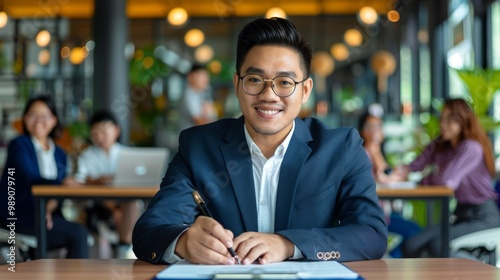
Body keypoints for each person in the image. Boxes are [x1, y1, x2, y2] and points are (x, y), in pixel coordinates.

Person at [133, 17, 387, 265]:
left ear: (305, 90)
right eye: (255, 80)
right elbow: (149, 230)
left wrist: (288, 244)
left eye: (285, 82)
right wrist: (184, 242)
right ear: (237, 84)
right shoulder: (199, 147)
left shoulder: (340, 147)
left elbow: (371, 234)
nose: (269, 95)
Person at [400, 98, 500, 257]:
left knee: (437, 245)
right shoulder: (442, 143)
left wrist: (422, 179)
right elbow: (415, 165)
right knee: (412, 244)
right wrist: (399, 172)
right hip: (461, 214)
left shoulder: (471, 147)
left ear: (463, 121)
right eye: (442, 118)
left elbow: (447, 181)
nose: (443, 124)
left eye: (450, 119)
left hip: (482, 216)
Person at [0, 94, 89, 258]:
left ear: (54, 120)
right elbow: (30, 177)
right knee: (78, 234)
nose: (38, 120)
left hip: (47, 216)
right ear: (25, 119)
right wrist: (62, 183)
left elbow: (59, 194)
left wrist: (48, 207)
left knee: (79, 231)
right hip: (18, 215)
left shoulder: (60, 154)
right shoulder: (19, 145)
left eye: (45, 116)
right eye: (33, 115)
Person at [73, 111, 142, 258]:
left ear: (116, 130)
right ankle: (124, 247)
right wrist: (95, 182)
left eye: (104, 131)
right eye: (96, 132)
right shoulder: (87, 155)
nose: (100, 136)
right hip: (99, 204)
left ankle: (123, 244)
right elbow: (80, 182)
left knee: (131, 202)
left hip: (124, 203)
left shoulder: (128, 154)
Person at [358, 104, 421, 258]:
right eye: (370, 126)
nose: (375, 130)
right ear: (362, 130)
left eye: (378, 126)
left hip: (381, 214)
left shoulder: (375, 151)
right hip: (370, 216)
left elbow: (388, 174)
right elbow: (383, 175)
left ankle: (393, 257)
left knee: (416, 232)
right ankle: (393, 258)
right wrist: (374, 147)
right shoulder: (365, 152)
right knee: (415, 233)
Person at [178, 64, 217, 131]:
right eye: (202, 76)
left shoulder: (203, 93)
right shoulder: (189, 95)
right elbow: (200, 122)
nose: (205, 80)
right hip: (192, 138)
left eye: (206, 77)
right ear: (191, 76)